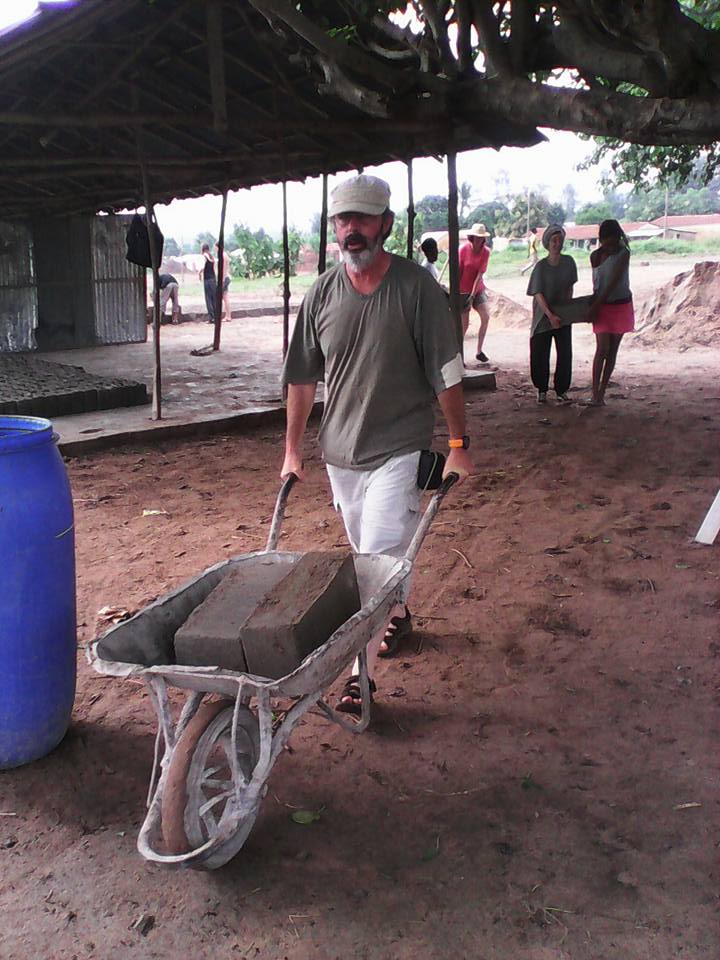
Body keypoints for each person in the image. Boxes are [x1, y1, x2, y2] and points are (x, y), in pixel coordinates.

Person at [280, 174, 473, 716]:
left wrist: (458, 442)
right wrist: (292, 450)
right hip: (340, 453)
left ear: (386, 224)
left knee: (372, 565)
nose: (352, 230)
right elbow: (300, 378)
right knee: (377, 563)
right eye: (343, 221)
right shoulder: (321, 293)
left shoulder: (417, 290)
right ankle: (400, 615)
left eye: (363, 219)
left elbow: (447, 370)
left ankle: (358, 679)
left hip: (399, 448)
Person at [526, 225, 577, 404]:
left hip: (562, 314)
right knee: (540, 352)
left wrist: (566, 310)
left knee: (564, 353)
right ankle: (541, 389)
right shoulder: (540, 267)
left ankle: (561, 389)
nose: (557, 243)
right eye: (554, 240)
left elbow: (570, 287)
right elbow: (537, 293)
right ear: (547, 243)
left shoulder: (569, 262)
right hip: (543, 315)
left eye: (560, 239)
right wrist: (550, 315)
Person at [586, 219, 634, 406]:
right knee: (601, 350)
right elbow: (597, 283)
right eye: (607, 241)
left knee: (612, 350)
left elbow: (613, 282)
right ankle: (595, 392)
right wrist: (595, 303)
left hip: (619, 305)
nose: (611, 245)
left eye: (614, 241)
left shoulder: (624, 254)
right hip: (603, 306)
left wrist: (595, 305)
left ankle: (601, 393)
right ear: (601, 240)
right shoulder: (594, 256)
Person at [459, 222, 491, 364]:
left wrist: (473, 295)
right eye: (477, 237)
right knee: (464, 325)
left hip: (477, 289)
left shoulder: (486, 252)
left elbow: (479, 275)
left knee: (486, 316)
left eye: (481, 238)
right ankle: (459, 356)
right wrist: (458, 295)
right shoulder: (463, 250)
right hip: (462, 289)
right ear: (472, 237)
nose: (479, 240)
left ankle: (479, 351)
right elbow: (458, 272)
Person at [198, 243, 217, 323]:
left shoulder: (204, 256)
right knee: (214, 299)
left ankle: (211, 317)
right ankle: (216, 317)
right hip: (213, 278)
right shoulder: (211, 256)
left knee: (208, 299)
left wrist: (199, 273)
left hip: (207, 280)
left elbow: (202, 267)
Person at [215, 242, 232, 322]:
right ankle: (227, 315)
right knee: (225, 297)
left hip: (224, 278)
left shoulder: (223, 256)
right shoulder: (224, 255)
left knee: (225, 298)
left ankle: (228, 316)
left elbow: (223, 269)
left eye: (215, 248)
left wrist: (221, 280)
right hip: (225, 277)